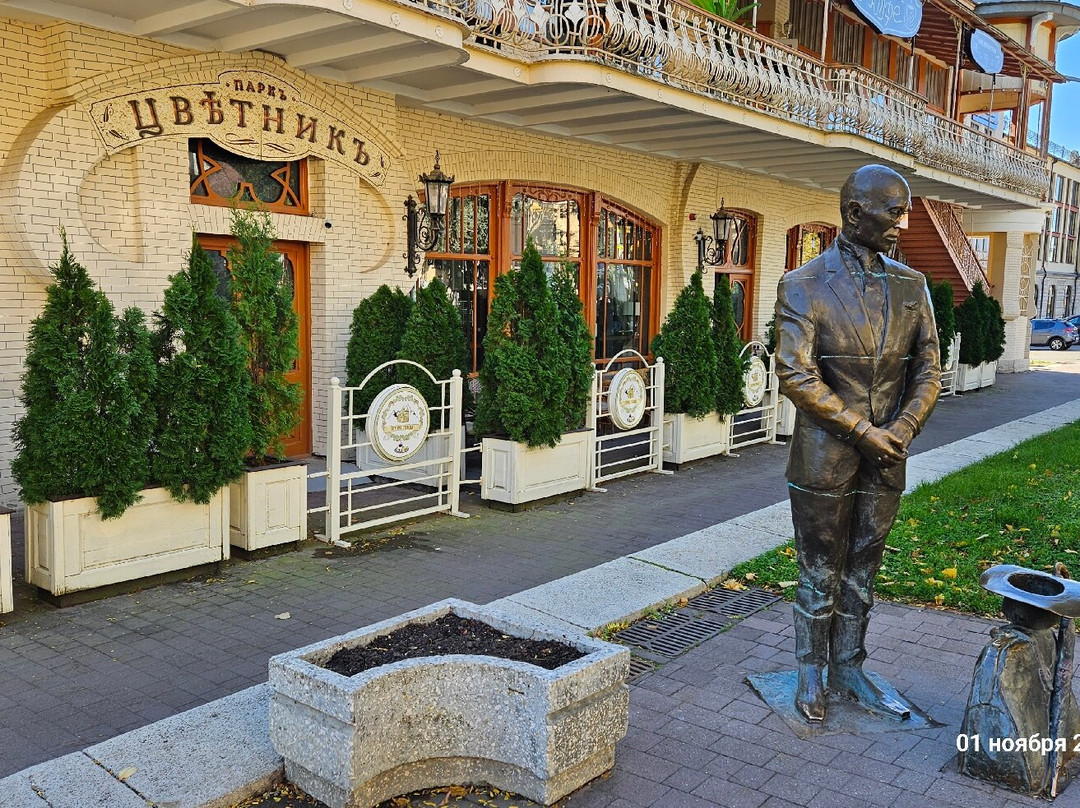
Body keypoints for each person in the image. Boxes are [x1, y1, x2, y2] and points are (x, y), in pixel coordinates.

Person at [774, 164, 941, 722]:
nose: (903, 222)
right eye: (894, 211)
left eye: (905, 210)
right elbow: (795, 374)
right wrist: (863, 430)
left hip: (889, 452)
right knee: (819, 569)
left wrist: (902, 429)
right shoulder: (803, 284)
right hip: (826, 455)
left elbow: (929, 370)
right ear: (854, 213)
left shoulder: (912, 285)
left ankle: (849, 665)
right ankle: (809, 672)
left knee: (864, 569)